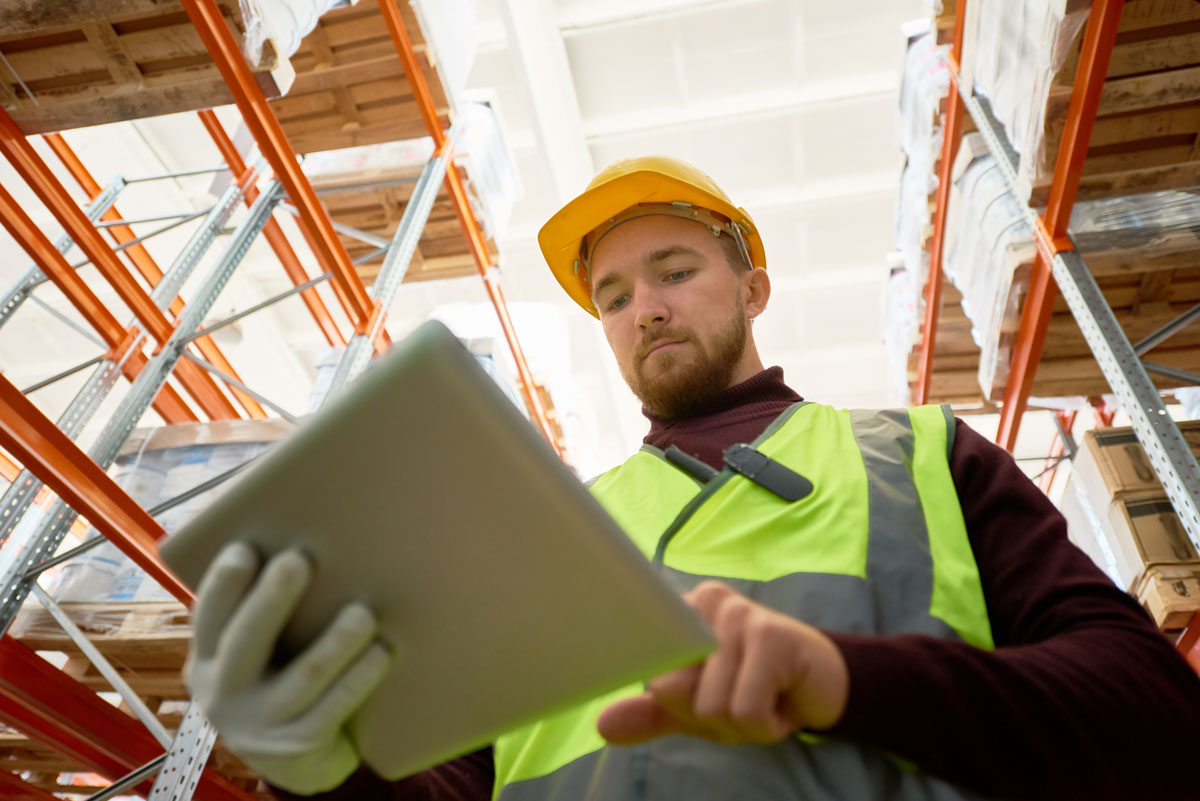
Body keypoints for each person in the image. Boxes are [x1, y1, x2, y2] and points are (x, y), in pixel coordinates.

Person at [186, 157, 1200, 801]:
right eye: (613, 296)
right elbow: (471, 779)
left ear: (753, 288)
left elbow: (1154, 715)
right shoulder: (546, 524)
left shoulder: (920, 451)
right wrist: (329, 771)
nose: (644, 310)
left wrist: (847, 683)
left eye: (674, 271)